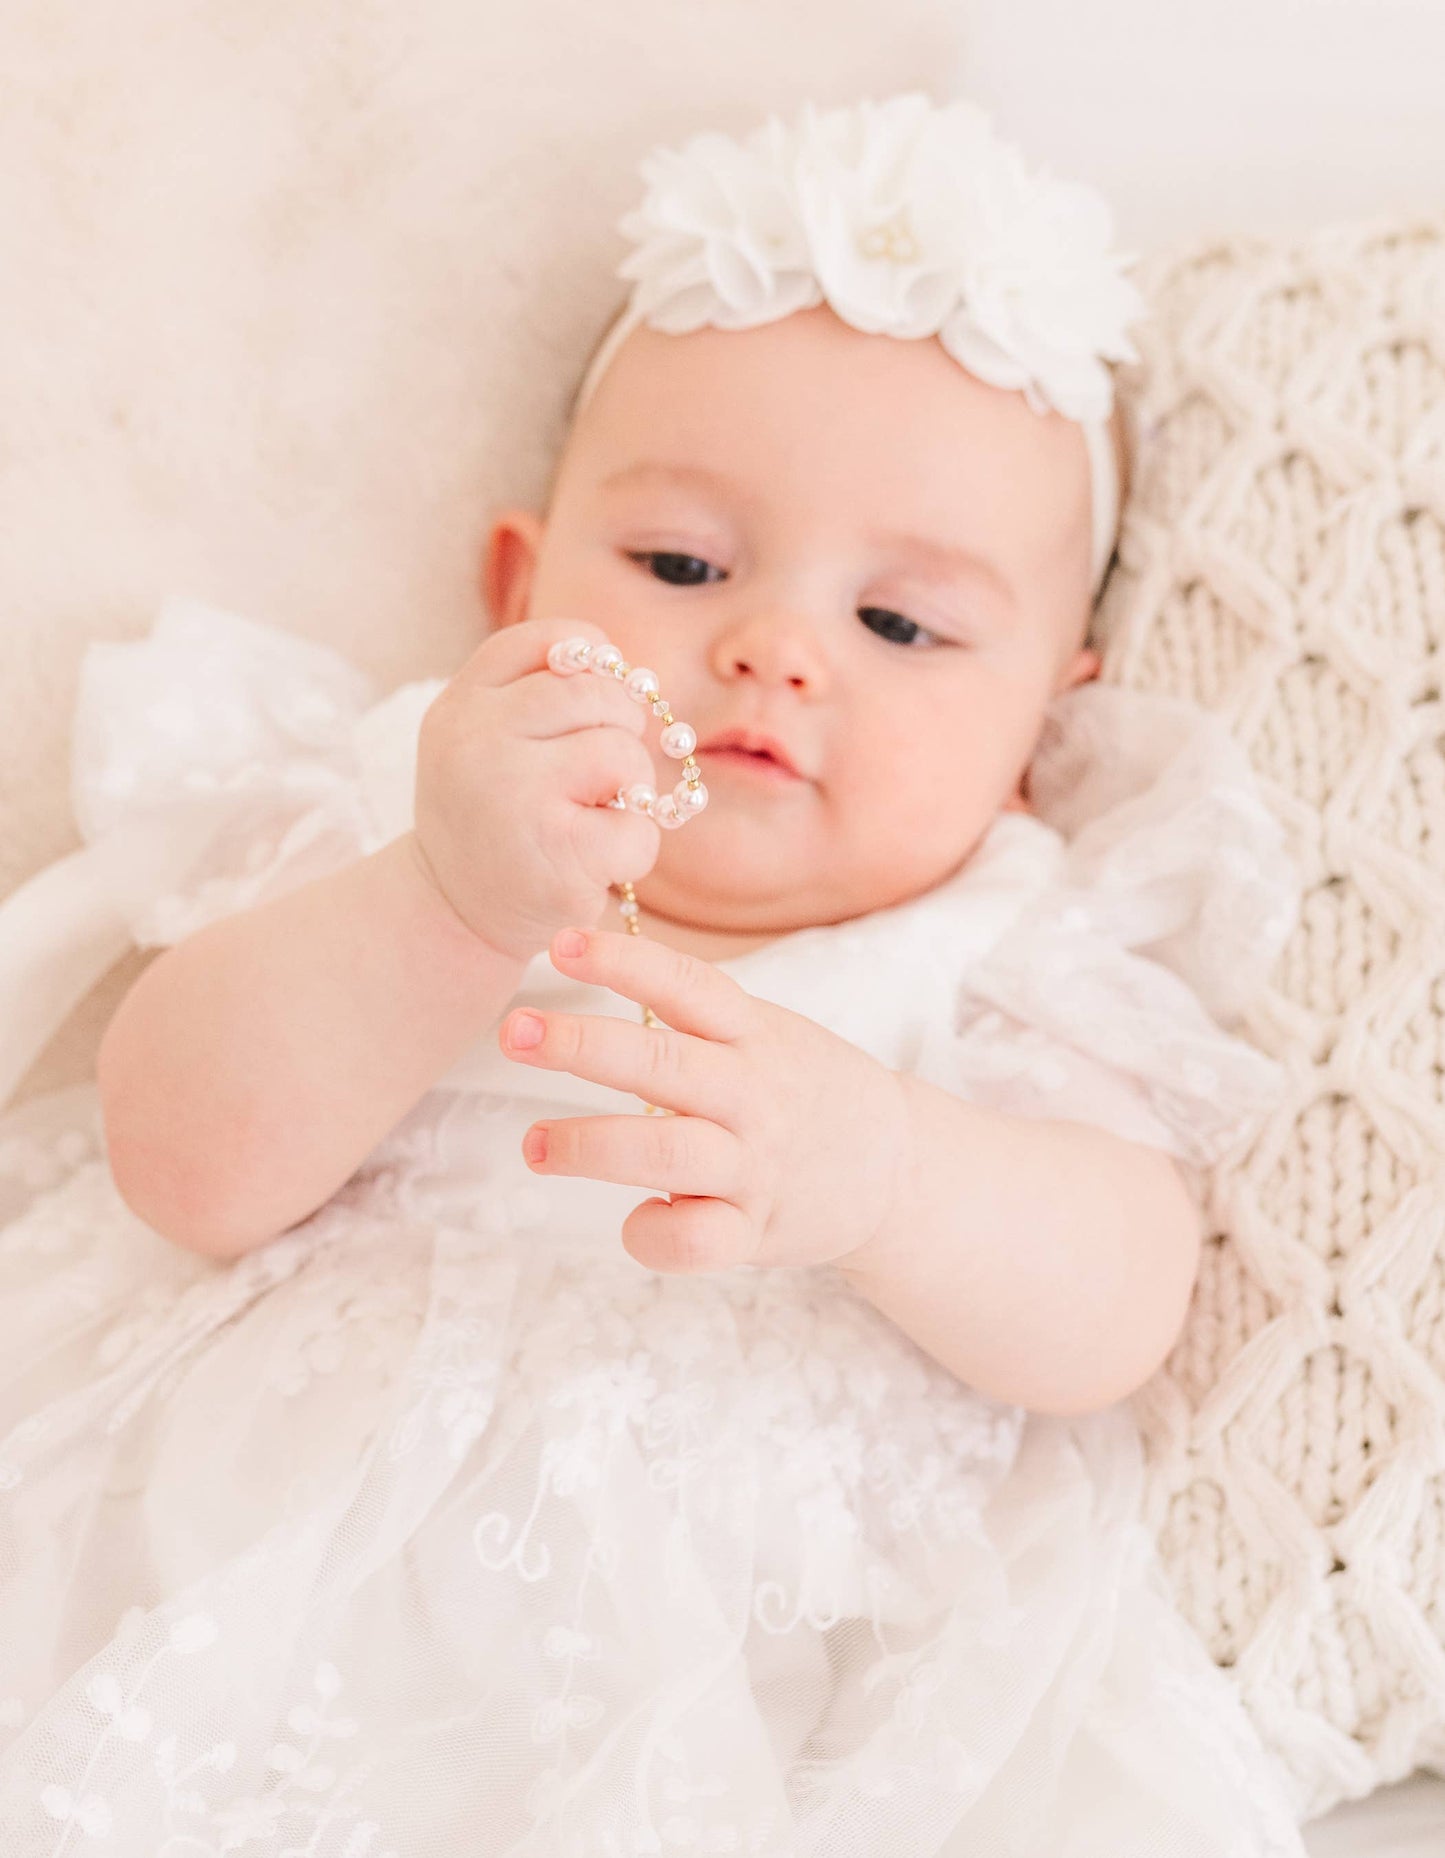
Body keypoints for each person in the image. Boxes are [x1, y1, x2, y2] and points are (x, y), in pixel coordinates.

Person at [0, 93, 1307, 1855]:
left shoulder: (1000, 931)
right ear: (517, 590)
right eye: (682, 565)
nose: (770, 646)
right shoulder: (401, 789)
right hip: (275, 1545)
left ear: (1038, 727)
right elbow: (180, 1156)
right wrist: (447, 900)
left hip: (747, 1646)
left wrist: (893, 1169)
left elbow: (1124, 1303)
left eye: (902, 625)